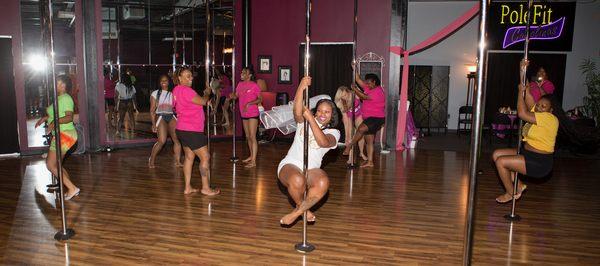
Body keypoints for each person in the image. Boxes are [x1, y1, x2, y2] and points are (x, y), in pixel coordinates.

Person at [492, 60, 559, 203]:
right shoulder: (538, 113)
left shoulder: (550, 119)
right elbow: (527, 91)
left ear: (551, 110)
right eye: (539, 105)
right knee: (497, 154)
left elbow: (522, 113)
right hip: (527, 153)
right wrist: (522, 69)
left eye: (544, 106)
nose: (540, 108)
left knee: (501, 162)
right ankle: (519, 185)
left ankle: (511, 192)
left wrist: (519, 92)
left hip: (539, 162)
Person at [278, 76, 340, 225]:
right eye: (319, 111)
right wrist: (302, 85)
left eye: (327, 112)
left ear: (332, 115)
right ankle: (303, 209)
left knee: (323, 182)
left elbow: (323, 142)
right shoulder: (303, 121)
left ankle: (298, 212)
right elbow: (297, 110)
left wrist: (311, 119)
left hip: (311, 168)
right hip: (291, 164)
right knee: (297, 180)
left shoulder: (334, 132)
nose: (322, 115)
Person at [172, 67, 220, 196]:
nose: (191, 78)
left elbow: (189, 104)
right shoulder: (187, 91)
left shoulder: (176, 90)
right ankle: (205, 188)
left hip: (182, 129)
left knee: (189, 157)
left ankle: (187, 187)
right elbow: (203, 101)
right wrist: (207, 92)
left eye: (191, 76)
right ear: (179, 78)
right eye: (187, 76)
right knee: (205, 157)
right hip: (192, 130)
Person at [35, 75, 80, 200]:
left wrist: (54, 122)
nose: (55, 84)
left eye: (57, 82)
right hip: (64, 134)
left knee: (50, 164)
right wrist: (45, 118)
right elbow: (56, 113)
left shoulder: (65, 98)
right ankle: (66, 186)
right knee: (57, 165)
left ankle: (72, 188)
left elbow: (69, 117)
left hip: (64, 134)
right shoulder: (60, 98)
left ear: (63, 85)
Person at [342, 73, 385, 168]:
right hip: (369, 118)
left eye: (369, 83)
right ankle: (370, 162)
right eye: (366, 83)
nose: (367, 85)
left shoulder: (378, 91)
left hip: (376, 118)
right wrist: (354, 67)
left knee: (361, 129)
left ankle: (350, 146)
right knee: (369, 141)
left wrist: (355, 89)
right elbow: (357, 79)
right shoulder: (369, 88)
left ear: (374, 82)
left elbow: (364, 97)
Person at [148, 74, 182, 168]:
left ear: (169, 81)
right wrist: (153, 124)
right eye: (161, 81)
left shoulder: (173, 93)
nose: (163, 82)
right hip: (161, 116)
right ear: (159, 83)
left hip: (171, 116)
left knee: (176, 140)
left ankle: (177, 161)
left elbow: (177, 107)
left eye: (165, 80)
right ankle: (152, 159)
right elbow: (152, 110)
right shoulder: (155, 93)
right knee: (162, 141)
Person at [231, 67, 262, 168]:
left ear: (250, 75)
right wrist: (232, 96)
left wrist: (249, 103)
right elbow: (236, 96)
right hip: (243, 113)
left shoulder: (254, 85)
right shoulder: (240, 84)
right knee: (248, 136)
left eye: (244, 73)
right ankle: (251, 156)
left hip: (253, 113)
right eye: (242, 72)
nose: (242, 74)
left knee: (253, 137)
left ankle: (253, 161)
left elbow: (259, 99)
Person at [334, 86, 367, 164]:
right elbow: (346, 122)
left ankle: (361, 153)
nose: (344, 98)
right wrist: (347, 136)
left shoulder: (354, 94)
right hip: (349, 117)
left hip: (359, 114)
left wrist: (358, 90)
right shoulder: (341, 103)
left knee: (361, 134)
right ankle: (350, 158)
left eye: (345, 95)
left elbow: (364, 97)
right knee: (351, 137)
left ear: (348, 92)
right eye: (342, 97)